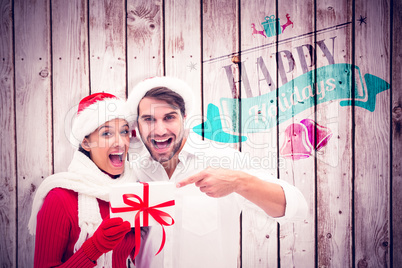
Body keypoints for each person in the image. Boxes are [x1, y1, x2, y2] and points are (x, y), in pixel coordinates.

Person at [125, 76, 308, 268]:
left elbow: (298, 209)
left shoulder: (224, 160)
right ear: (137, 124)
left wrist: (240, 182)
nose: (159, 130)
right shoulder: (134, 172)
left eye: (169, 117)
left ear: (184, 118)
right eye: (148, 119)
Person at [28, 93, 137, 267]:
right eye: (107, 133)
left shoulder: (133, 191)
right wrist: (94, 248)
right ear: (86, 143)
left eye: (124, 131)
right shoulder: (60, 198)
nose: (120, 142)